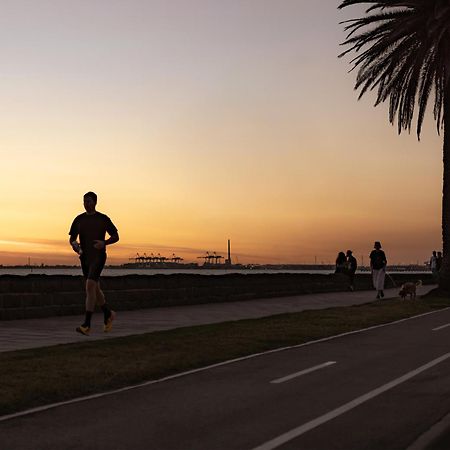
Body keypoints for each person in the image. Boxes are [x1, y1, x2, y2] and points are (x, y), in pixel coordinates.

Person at [69, 192, 119, 335]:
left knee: (89, 286)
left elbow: (116, 236)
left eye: (89, 201)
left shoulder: (103, 219)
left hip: (98, 257)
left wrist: (104, 243)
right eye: (84, 201)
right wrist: (75, 246)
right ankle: (108, 314)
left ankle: (87, 325)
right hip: (85, 258)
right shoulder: (78, 219)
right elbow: (72, 239)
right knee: (95, 289)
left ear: (95, 202)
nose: (86, 204)